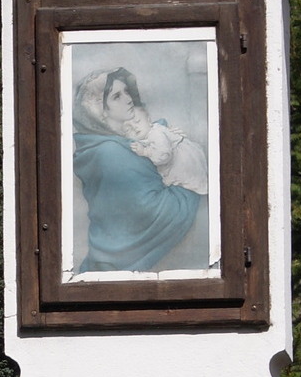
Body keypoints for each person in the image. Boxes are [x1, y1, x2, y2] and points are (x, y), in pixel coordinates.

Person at [71, 67, 207, 272]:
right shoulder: (109, 152)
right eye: (116, 96)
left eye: (126, 92)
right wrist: (190, 187)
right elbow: (148, 211)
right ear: (99, 111)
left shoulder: (124, 140)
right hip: (115, 265)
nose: (128, 99)